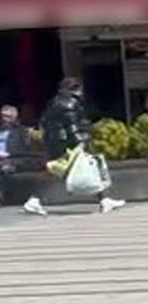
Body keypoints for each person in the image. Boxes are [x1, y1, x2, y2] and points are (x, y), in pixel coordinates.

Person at [23, 78, 126, 216]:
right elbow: (72, 126)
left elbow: (45, 123)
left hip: (57, 142)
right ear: (75, 89)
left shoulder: (54, 102)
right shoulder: (70, 103)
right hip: (67, 144)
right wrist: (82, 142)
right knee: (71, 168)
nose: (82, 93)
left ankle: (104, 199)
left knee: (79, 168)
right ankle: (34, 200)